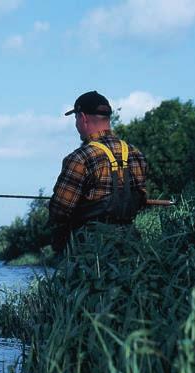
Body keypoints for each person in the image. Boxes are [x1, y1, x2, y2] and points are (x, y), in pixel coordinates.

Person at [49, 90, 148, 252]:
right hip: (131, 244)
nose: (76, 125)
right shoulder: (136, 154)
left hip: (91, 249)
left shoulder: (80, 158)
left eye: (76, 119)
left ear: (83, 118)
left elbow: (59, 211)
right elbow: (141, 200)